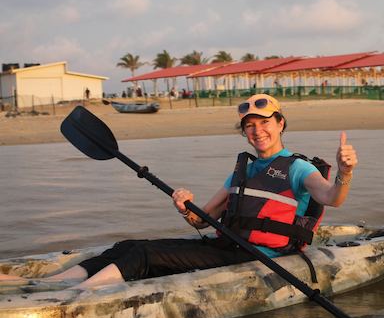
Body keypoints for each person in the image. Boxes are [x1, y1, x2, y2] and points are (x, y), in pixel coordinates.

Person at [0, 94, 358, 289]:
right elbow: (203, 220)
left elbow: (332, 198)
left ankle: (72, 296)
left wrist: (344, 171)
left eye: (264, 123)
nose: (257, 131)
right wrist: (185, 206)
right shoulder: (245, 169)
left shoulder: (297, 167)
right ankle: (43, 283)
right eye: (249, 127)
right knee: (127, 247)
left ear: (280, 124)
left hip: (256, 256)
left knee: (143, 257)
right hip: (224, 246)